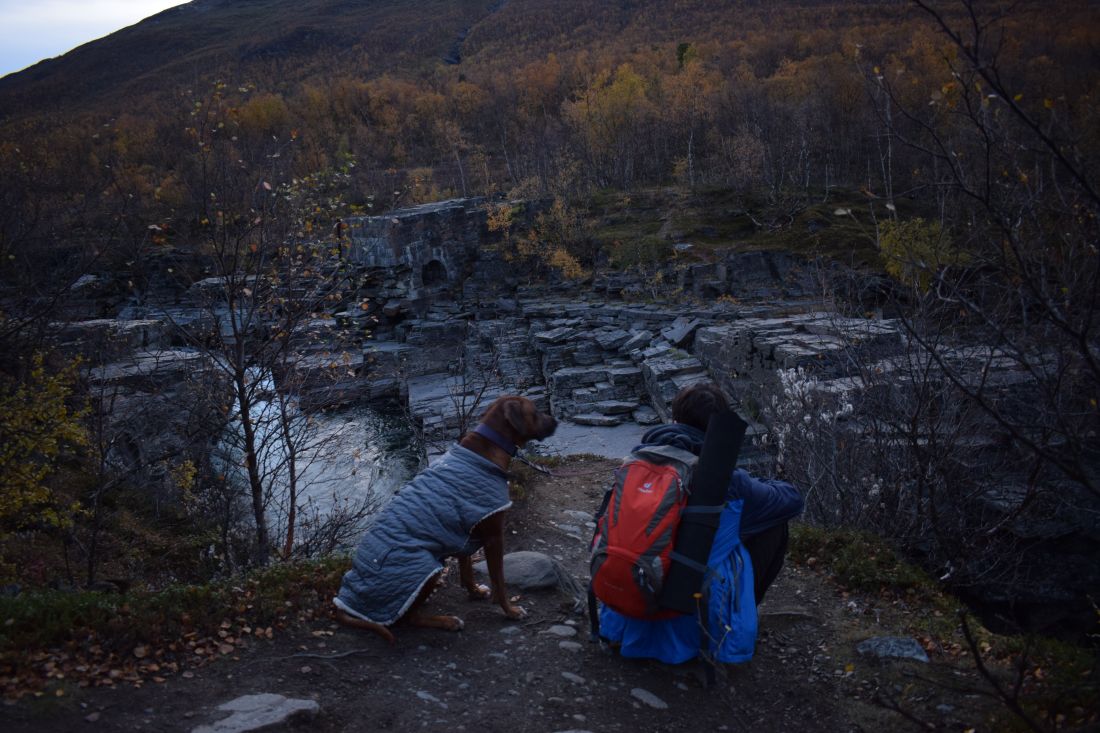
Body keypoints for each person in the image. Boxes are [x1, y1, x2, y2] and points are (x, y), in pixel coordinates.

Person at [596, 381, 804, 664]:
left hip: (629, 596)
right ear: (718, 427)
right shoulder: (726, 479)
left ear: (675, 419)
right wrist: (759, 481)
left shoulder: (634, 462)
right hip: (688, 610)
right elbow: (792, 500)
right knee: (772, 523)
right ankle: (735, 616)